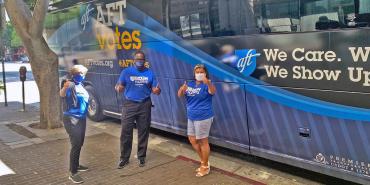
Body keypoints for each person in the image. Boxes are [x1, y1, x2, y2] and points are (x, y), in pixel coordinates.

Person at [115, 50, 161, 169]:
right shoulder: (126, 72)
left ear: (145, 61)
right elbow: (119, 86)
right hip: (129, 105)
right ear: (134, 60)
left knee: (143, 132)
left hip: (145, 105)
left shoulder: (150, 73)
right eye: (137, 59)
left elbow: (156, 89)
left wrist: (157, 91)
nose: (139, 61)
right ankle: (124, 158)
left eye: (142, 59)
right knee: (126, 132)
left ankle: (141, 157)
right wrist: (119, 88)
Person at [177, 64, 216, 177]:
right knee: (192, 140)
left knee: (203, 141)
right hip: (191, 117)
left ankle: (204, 166)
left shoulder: (207, 85)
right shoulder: (189, 84)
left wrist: (207, 82)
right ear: (194, 74)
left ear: (205, 73)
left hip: (203, 116)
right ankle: (205, 161)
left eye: (201, 72)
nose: (199, 74)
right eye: (197, 72)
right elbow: (179, 95)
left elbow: (213, 92)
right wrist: (181, 89)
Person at [59, 65, 90, 184]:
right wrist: (64, 88)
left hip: (81, 118)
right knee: (76, 144)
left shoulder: (80, 84)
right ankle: (72, 173)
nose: (82, 75)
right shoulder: (69, 84)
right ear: (74, 74)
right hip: (72, 119)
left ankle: (76, 165)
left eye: (83, 74)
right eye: (80, 73)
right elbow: (61, 94)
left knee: (80, 143)